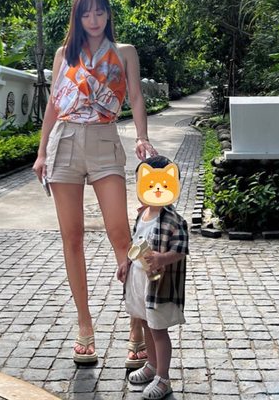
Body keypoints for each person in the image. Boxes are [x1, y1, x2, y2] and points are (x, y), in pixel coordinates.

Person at [32, 0, 156, 365]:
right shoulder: (63, 55)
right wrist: (41, 152)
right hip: (65, 143)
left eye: (99, 12)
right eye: (86, 13)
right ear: (77, 17)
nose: (94, 20)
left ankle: (135, 325)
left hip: (105, 141)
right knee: (72, 237)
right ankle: (84, 325)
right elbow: (54, 106)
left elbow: (135, 96)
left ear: (107, 14)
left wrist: (142, 137)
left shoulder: (124, 52)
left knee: (120, 234)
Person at [117, 155, 189, 399]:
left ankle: (163, 377)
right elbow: (135, 242)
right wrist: (125, 263)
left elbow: (181, 250)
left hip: (160, 285)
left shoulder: (174, 221)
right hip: (139, 281)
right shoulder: (142, 215)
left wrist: (162, 258)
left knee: (158, 330)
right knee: (145, 323)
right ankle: (151, 365)